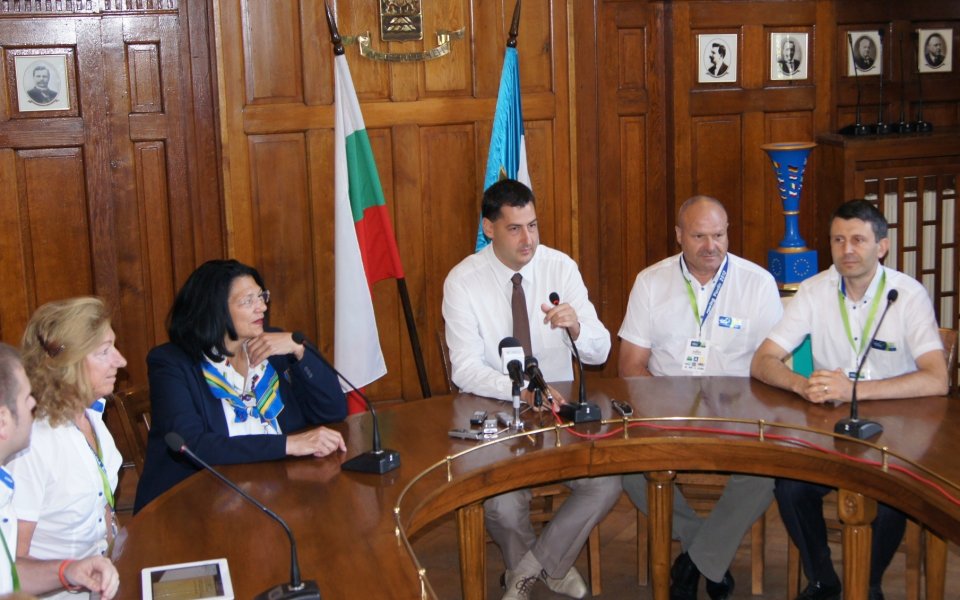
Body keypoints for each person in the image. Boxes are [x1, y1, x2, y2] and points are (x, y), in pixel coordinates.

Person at [751, 199, 948, 600]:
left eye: (858, 240)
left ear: (882, 246)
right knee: (789, 484)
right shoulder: (814, 291)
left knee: (892, 494)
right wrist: (800, 385)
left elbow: (937, 378)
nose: (847, 250)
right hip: (831, 427)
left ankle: (866, 584)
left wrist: (854, 391)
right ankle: (823, 580)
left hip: (900, 429)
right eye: (838, 240)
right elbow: (762, 361)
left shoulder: (906, 295)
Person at [442, 179, 620, 600]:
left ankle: (525, 575)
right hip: (500, 415)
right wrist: (519, 392)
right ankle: (550, 570)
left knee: (607, 484)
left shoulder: (560, 267)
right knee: (502, 506)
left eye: (534, 226)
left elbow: (599, 351)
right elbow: (464, 368)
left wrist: (577, 325)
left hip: (559, 416)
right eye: (515, 228)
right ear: (489, 228)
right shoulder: (463, 281)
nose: (529, 240)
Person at [618, 196, 783, 600]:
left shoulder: (757, 283)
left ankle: (694, 561)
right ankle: (707, 552)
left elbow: (777, 364)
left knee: (767, 472)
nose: (711, 245)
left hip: (738, 415)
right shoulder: (650, 282)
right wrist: (663, 412)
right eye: (699, 236)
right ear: (678, 237)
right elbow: (630, 366)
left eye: (719, 234)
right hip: (667, 414)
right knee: (626, 469)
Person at [134, 259, 347, 512]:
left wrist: (299, 351)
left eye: (261, 296)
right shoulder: (173, 363)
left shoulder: (272, 347)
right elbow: (192, 444)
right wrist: (290, 444)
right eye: (248, 301)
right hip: (196, 510)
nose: (262, 307)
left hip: (276, 495)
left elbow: (333, 410)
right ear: (214, 309)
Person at [6, 300, 125, 599]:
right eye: (104, 351)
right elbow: (10, 569)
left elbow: (104, 515)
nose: (121, 361)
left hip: (103, 585)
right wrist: (70, 569)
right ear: (69, 365)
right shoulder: (34, 444)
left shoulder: (92, 416)